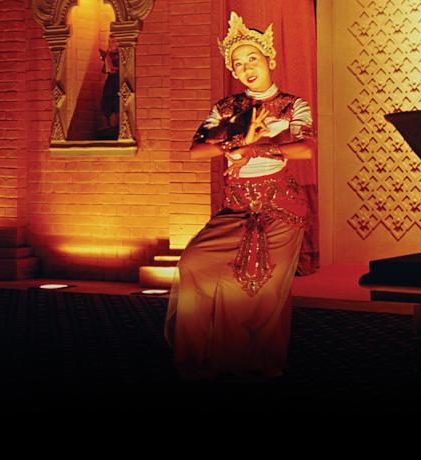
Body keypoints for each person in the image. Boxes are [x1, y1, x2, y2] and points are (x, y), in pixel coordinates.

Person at [164, 12, 315, 381]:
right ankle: (201, 356)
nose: (246, 68)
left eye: (252, 59)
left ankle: (255, 362)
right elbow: (196, 150)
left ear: (269, 60)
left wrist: (253, 149)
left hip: (281, 208)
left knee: (258, 288)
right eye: (237, 63)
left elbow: (305, 149)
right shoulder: (226, 108)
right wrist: (233, 143)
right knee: (193, 264)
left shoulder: (293, 106)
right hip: (236, 207)